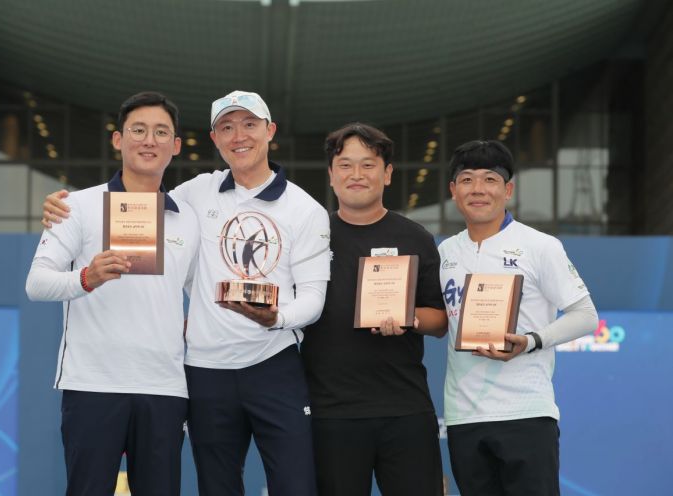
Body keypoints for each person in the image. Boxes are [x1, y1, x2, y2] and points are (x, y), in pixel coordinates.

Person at [42, 90, 331, 496]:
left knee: (296, 486)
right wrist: (64, 207)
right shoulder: (194, 195)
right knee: (217, 488)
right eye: (227, 127)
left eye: (249, 124)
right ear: (213, 138)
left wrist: (277, 318)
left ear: (270, 131)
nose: (239, 135)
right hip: (204, 371)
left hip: (273, 363)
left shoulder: (306, 209)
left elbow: (314, 299)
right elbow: (139, 201)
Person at [26, 92, 199, 495]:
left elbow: (198, 291)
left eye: (161, 132)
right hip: (93, 384)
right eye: (138, 130)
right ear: (119, 140)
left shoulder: (187, 217)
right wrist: (87, 278)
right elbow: (36, 283)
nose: (149, 140)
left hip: (165, 388)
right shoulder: (77, 206)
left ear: (175, 146)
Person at [438, 140, 599, 496]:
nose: (478, 189)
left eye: (490, 180)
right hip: (464, 417)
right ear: (453, 190)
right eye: (466, 179)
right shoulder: (446, 252)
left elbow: (586, 316)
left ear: (508, 189)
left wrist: (531, 341)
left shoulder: (540, 245)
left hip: (525, 412)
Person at [302, 123, 447, 496]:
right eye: (345, 165)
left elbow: (440, 320)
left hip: (405, 409)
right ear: (332, 175)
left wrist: (411, 320)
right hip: (331, 412)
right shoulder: (309, 237)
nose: (356, 175)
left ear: (387, 174)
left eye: (368, 165)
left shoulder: (415, 237)